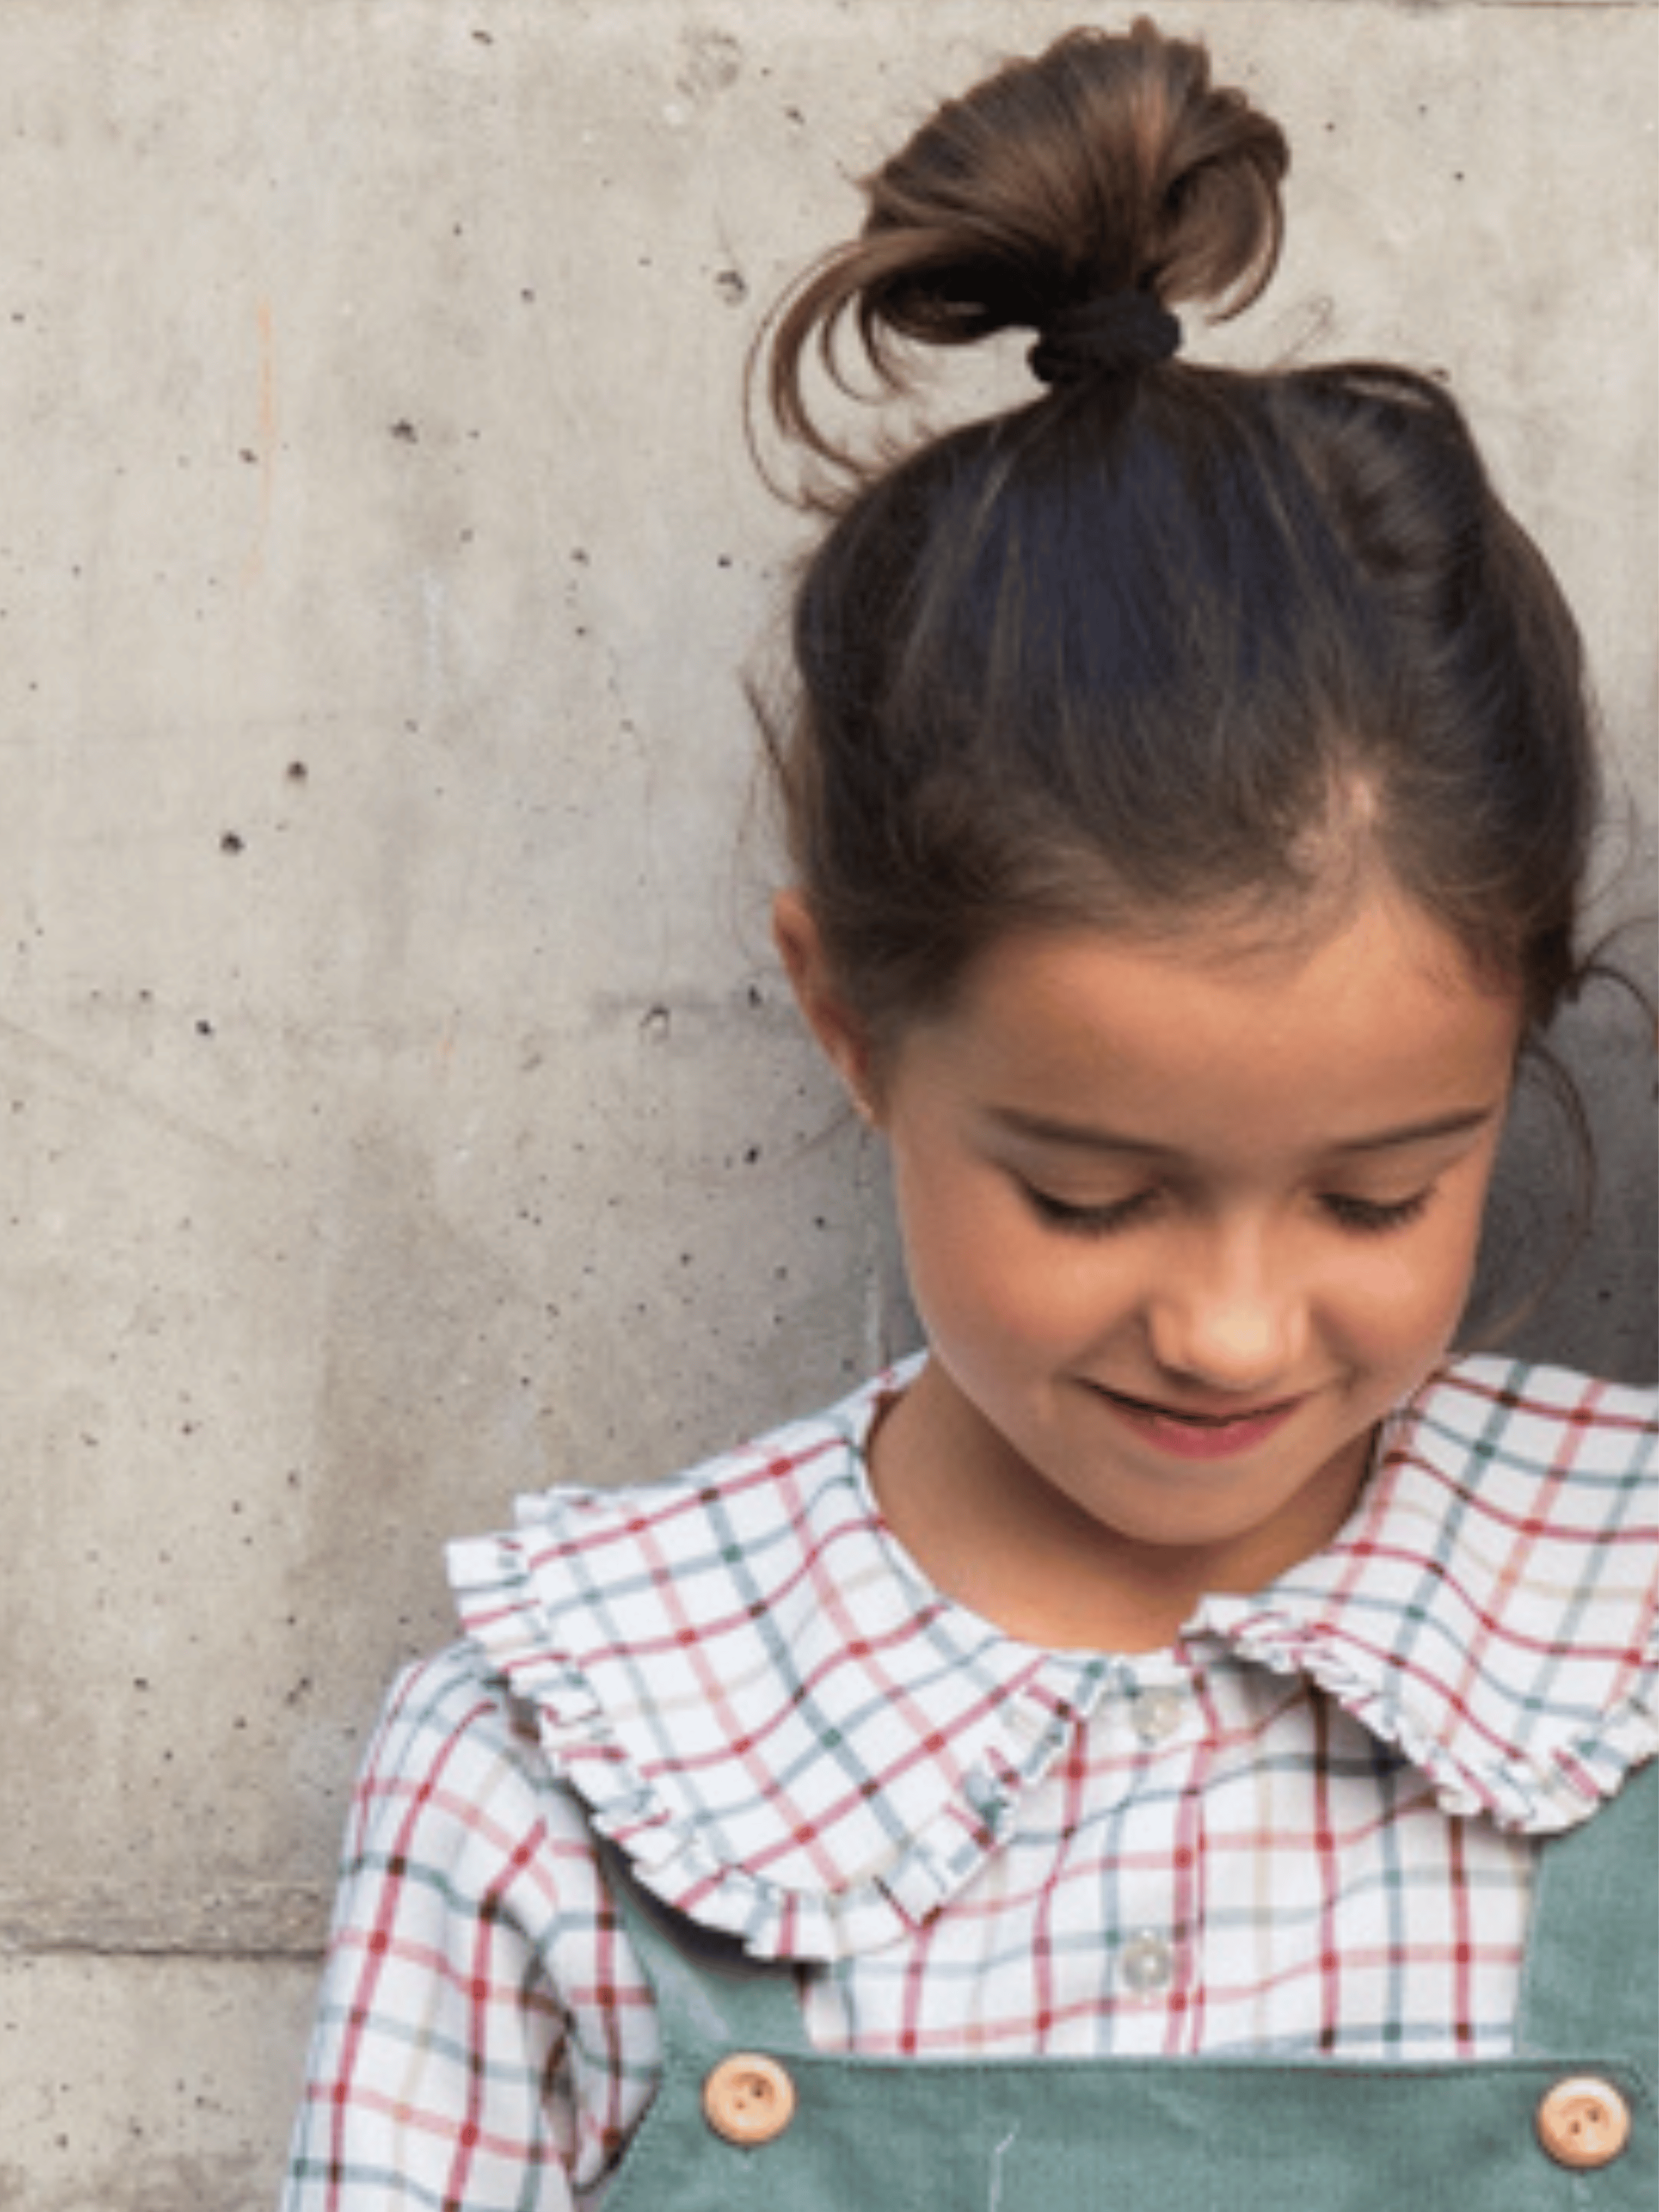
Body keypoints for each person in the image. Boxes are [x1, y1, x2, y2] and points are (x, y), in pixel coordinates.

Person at [280, 19, 1657, 2208]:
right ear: (849, 1016)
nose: (1229, 1326)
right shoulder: (572, 1763)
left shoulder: (1631, 1643)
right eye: (1092, 1193)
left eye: (1381, 1192)